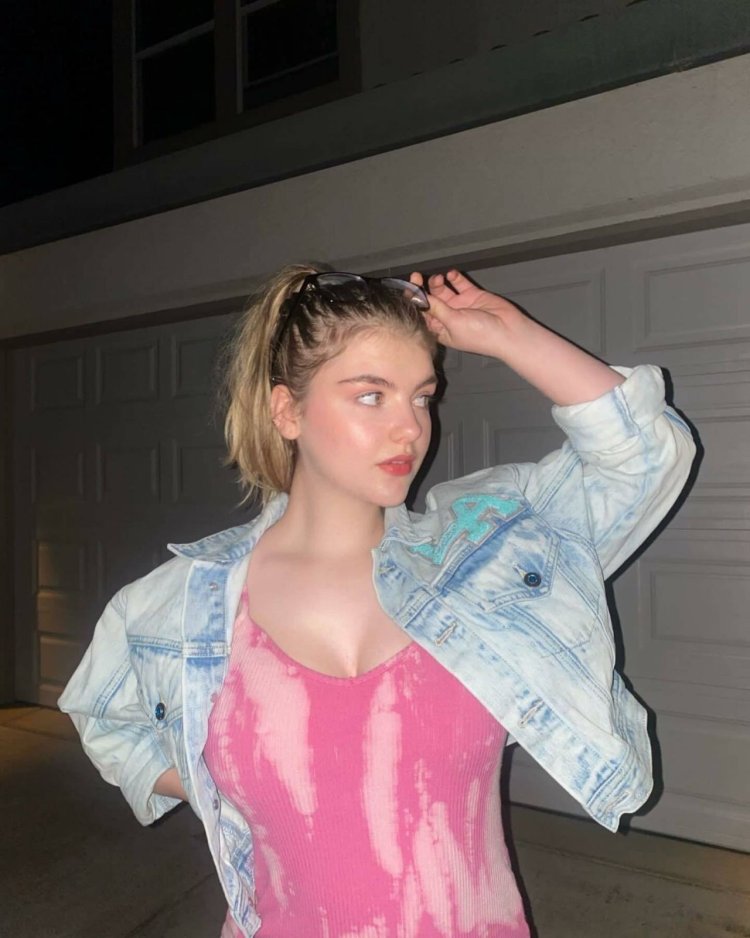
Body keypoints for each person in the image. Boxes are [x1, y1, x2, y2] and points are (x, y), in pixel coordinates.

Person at [59, 266, 696, 937]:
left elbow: (646, 456)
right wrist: (205, 778)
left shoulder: (480, 561)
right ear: (287, 411)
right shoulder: (181, 605)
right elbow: (103, 716)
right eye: (371, 396)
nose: (410, 429)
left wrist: (511, 336)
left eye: (422, 397)